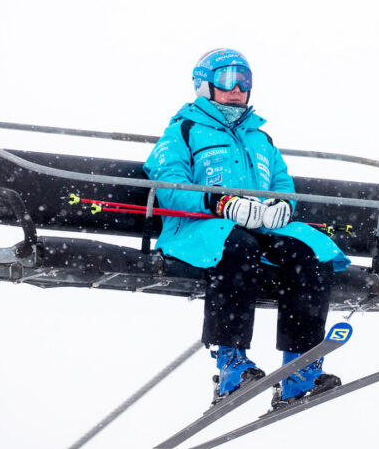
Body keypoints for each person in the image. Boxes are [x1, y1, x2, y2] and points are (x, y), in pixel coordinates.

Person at [144, 48, 350, 408]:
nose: (237, 88)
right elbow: (169, 186)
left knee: (309, 253)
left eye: (244, 80)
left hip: (258, 230)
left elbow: (283, 183)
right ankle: (231, 365)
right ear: (204, 86)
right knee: (237, 246)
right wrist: (219, 203)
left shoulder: (261, 139)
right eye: (226, 79)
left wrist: (281, 207)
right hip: (198, 230)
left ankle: (299, 372)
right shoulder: (183, 131)